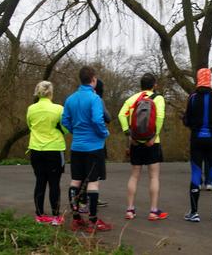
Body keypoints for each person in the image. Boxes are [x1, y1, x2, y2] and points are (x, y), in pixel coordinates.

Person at [62, 66, 112, 233]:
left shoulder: (70, 99)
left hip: (77, 146)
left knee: (76, 180)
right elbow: (98, 120)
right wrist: (104, 133)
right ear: (93, 79)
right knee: (93, 182)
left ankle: (76, 219)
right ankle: (92, 221)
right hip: (93, 147)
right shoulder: (94, 98)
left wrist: (75, 131)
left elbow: (65, 121)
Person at [118, 73, 168, 221]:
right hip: (153, 142)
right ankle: (153, 211)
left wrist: (129, 133)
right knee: (154, 176)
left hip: (135, 142)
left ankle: (130, 210)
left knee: (134, 176)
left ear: (140, 85)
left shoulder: (133, 99)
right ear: (155, 85)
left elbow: (121, 115)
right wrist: (153, 136)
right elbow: (159, 118)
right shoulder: (158, 98)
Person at [183, 68, 212, 222]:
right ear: (210, 79)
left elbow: (186, 119)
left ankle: (194, 213)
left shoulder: (193, 97)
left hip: (197, 139)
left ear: (198, 79)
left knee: (195, 172)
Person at [26, 81, 66, 226]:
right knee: (54, 183)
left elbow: (30, 125)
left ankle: (39, 215)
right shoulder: (58, 109)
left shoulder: (31, 109)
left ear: (37, 92)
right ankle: (56, 217)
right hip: (54, 149)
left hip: (36, 149)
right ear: (51, 93)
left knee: (40, 181)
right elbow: (66, 128)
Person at [78, 79, 111, 213]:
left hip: (80, 141)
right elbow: (107, 117)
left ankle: (82, 200)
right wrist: (104, 133)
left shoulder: (77, 99)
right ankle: (88, 200)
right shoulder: (97, 100)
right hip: (96, 141)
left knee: (81, 173)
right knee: (93, 174)